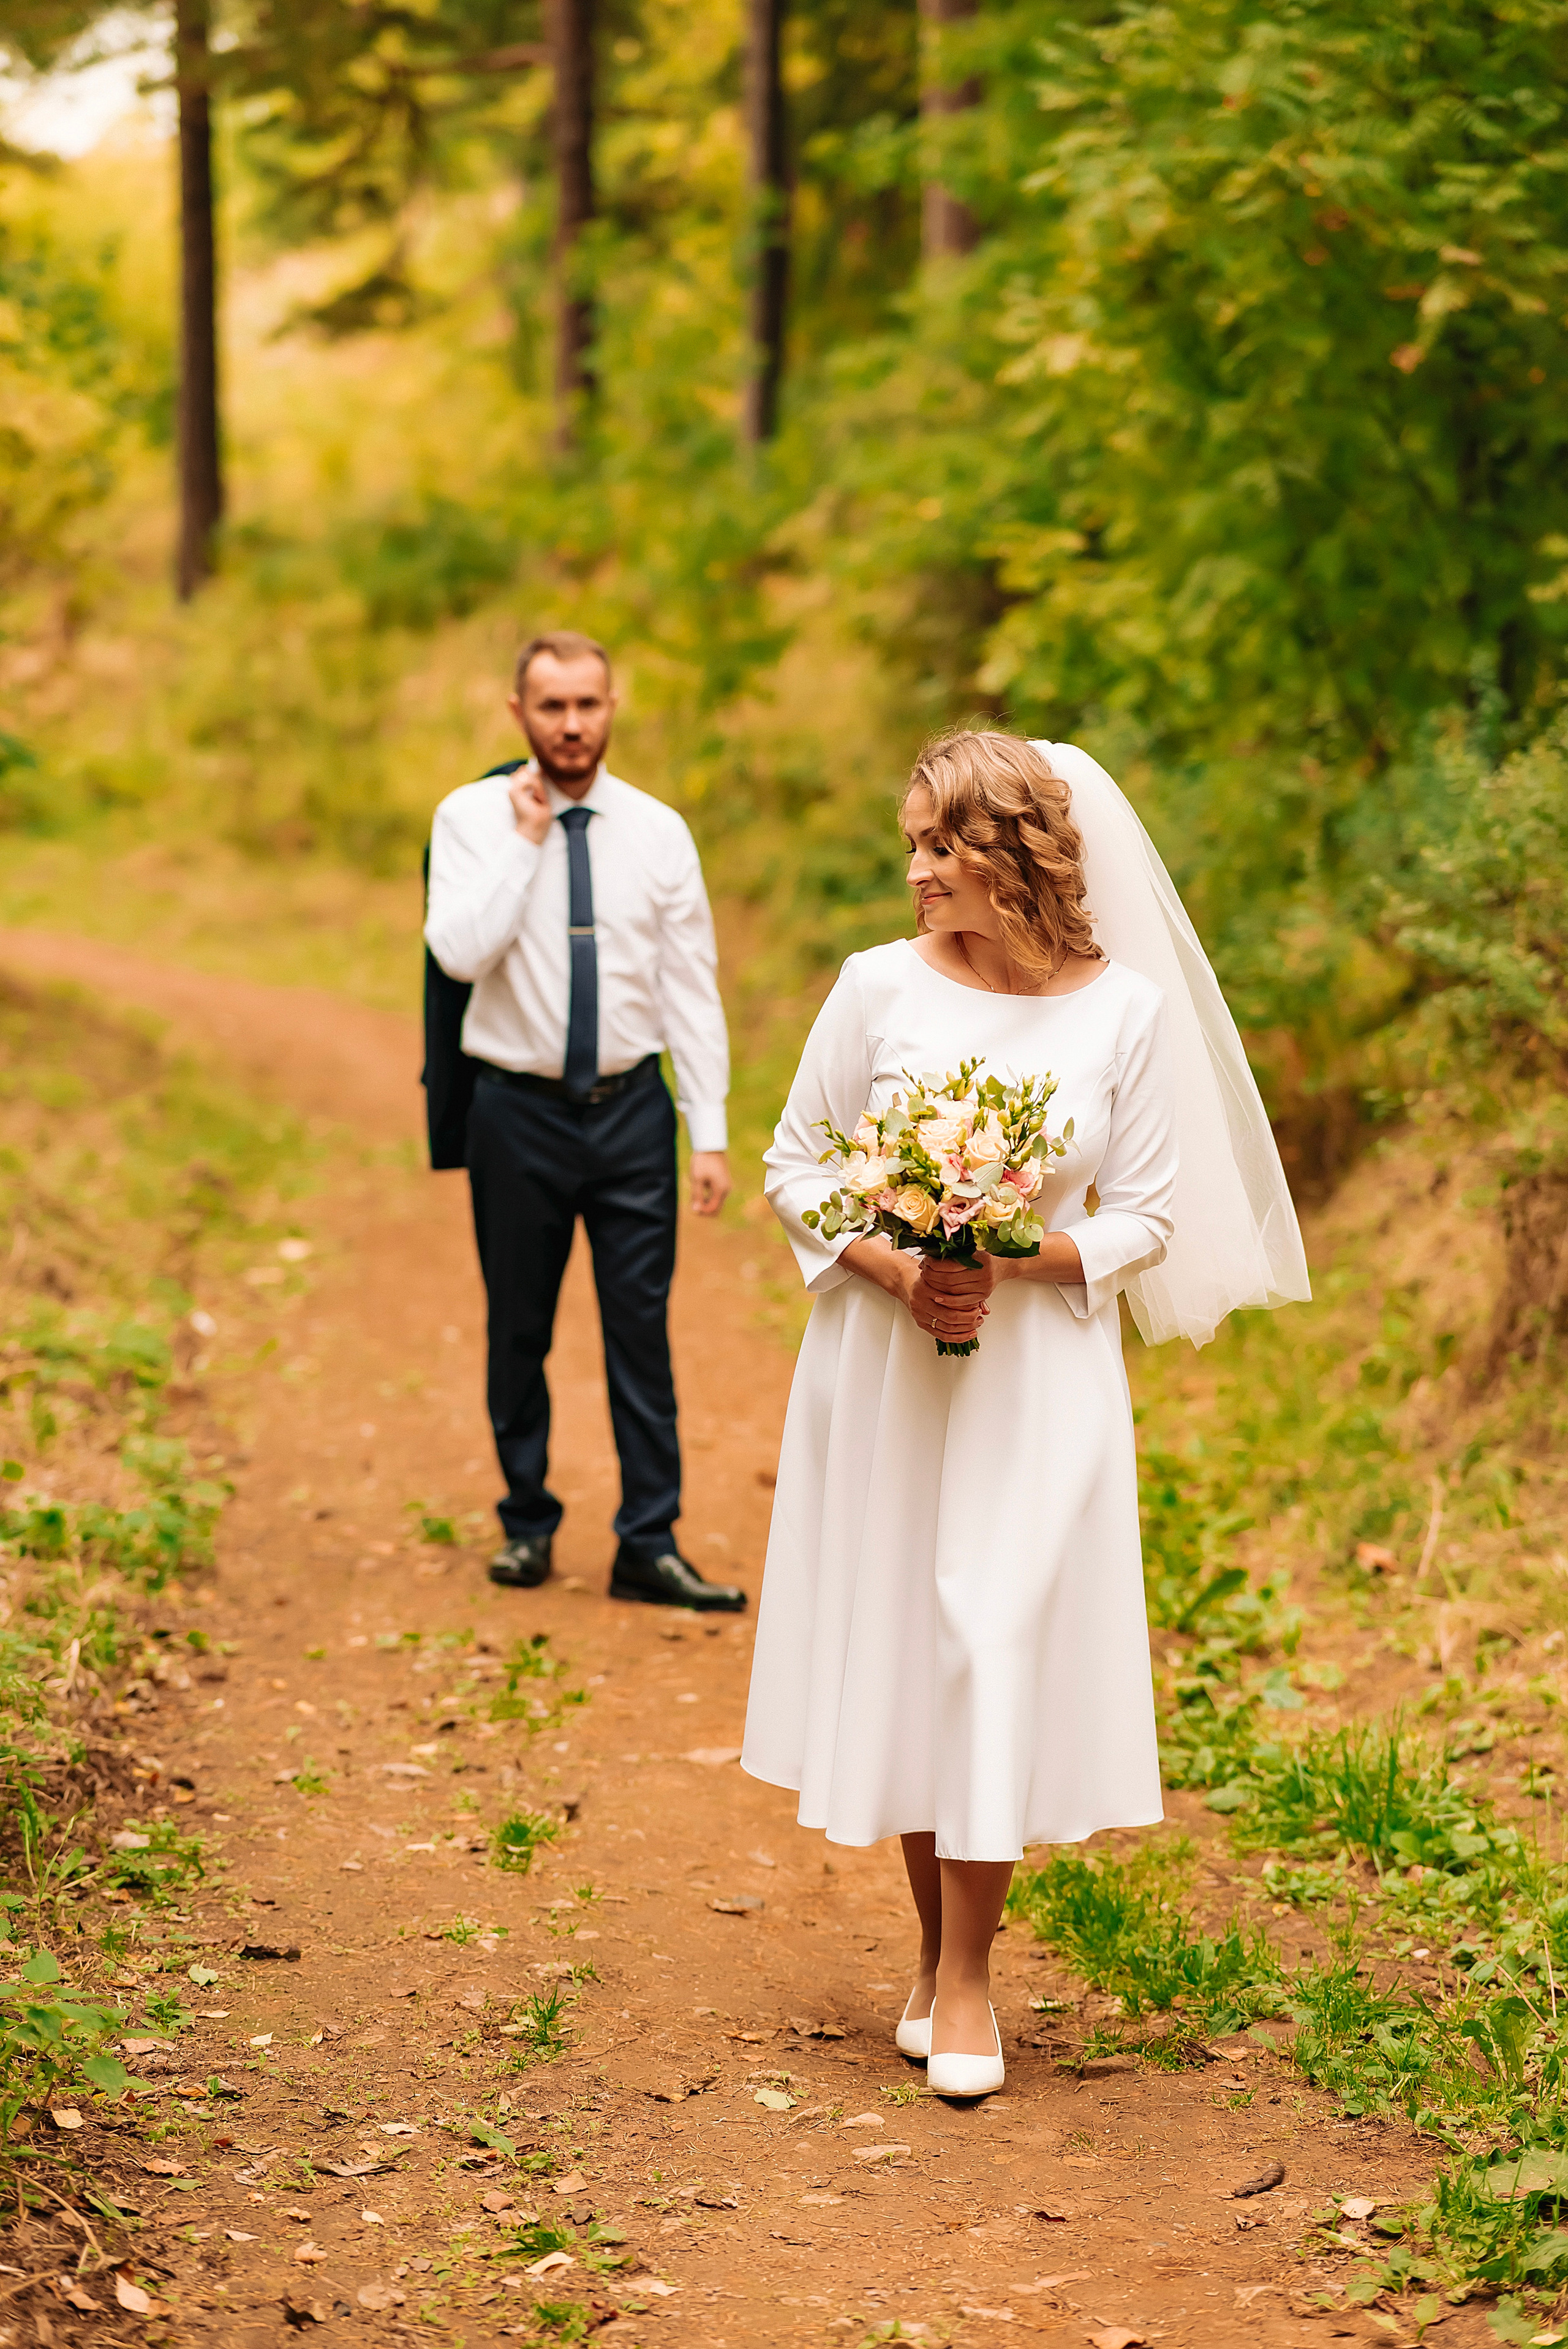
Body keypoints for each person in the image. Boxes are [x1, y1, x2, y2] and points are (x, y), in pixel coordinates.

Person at [742, 729, 1310, 2097]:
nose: (915, 869)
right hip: (886, 1366)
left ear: (1010, 853)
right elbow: (796, 1162)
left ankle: (974, 1985)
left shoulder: (1122, 1011)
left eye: (939, 845)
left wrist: (1006, 1253)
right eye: (913, 844)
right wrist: (897, 1264)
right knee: (911, 1647)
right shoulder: (873, 989)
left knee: (986, 1636)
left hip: (1039, 1375)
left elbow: (1150, 1219)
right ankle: (936, 1960)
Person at [423, 629, 745, 1613]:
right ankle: (528, 1521)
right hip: (514, 1113)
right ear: (517, 711)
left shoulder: (658, 831)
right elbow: (460, 954)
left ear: (613, 708)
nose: (572, 723)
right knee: (519, 1326)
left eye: (589, 704)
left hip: (631, 1115)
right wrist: (526, 841)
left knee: (638, 1332)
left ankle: (649, 1540)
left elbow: (691, 986)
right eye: (553, 705)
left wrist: (710, 1126)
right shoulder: (471, 817)